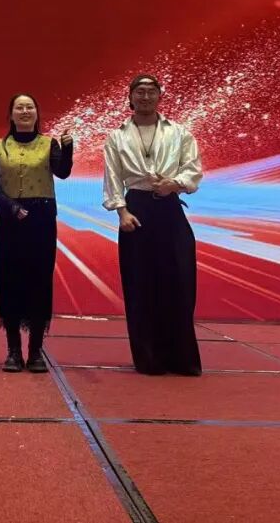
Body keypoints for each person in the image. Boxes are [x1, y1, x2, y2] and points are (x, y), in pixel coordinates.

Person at [102, 74, 203, 376]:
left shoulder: (179, 132)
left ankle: (182, 359)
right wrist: (121, 212)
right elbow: (112, 177)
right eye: (140, 92)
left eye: (151, 91)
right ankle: (149, 360)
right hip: (136, 210)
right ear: (130, 98)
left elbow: (193, 169)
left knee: (180, 281)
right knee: (140, 285)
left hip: (170, 207)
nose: (145, 97)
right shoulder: (117, 136)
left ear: (160, 96)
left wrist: (175, 184)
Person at [0, 94, 73, 373]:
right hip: (9, 220)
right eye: (19, 107)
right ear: (11, 114)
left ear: (37, 113)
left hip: (41, 219)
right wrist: (10, 207)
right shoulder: (0, 146)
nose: (24, 111)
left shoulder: (49, 144)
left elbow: (62, 172)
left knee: (39, 280)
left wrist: (68, 148)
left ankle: (35, 351)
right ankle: (13, 351)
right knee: (9, 280)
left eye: (29, 107)